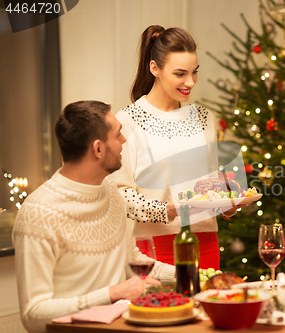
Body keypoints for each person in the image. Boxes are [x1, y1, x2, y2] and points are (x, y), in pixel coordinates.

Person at [12, 101, 175, 333]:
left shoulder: (110, 192)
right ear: (98, 149)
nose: (124, 141)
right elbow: (33, 315)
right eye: (118, 135)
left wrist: (195, 274)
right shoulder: (38, 213)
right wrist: (113, 293)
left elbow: (132, 263)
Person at [109, 26, 240, 270]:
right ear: (154, 68)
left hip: (207, 243)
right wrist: (166, 211)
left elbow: (210, 185)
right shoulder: (128, 121)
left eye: (194, 72)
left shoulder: (203, 118)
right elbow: (120, 194)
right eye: (180, 74)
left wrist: (228, 203)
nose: (190, 82)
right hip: (155, 247)